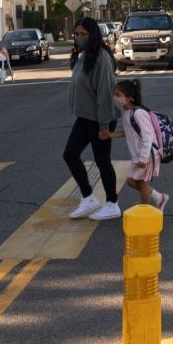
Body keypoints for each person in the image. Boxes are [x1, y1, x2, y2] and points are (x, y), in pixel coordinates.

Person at [63, 16, 121, 221]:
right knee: (70, 154)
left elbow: (105, 93)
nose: (79, 38)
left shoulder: (101, 58)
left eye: (83, 34)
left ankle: (112, 203)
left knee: (102, 161)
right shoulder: (84, 56)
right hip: (86, 116)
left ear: (93, 34)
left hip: (100, 117)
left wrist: (104, 125)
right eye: (76, 34)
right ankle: (88, 198)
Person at [108, 78, 169, 211]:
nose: (115, 98)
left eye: (118, 95)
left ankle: (145, 213)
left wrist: (143, 158)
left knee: (142, 184)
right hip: (139, 154)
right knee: (131, 181)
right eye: (115, 94)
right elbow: (129, 132)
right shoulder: (126, 112)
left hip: (147, 154)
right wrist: (111, 135)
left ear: (129, 98)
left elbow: (147, 136)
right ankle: (159, 198)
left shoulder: (139, 113)